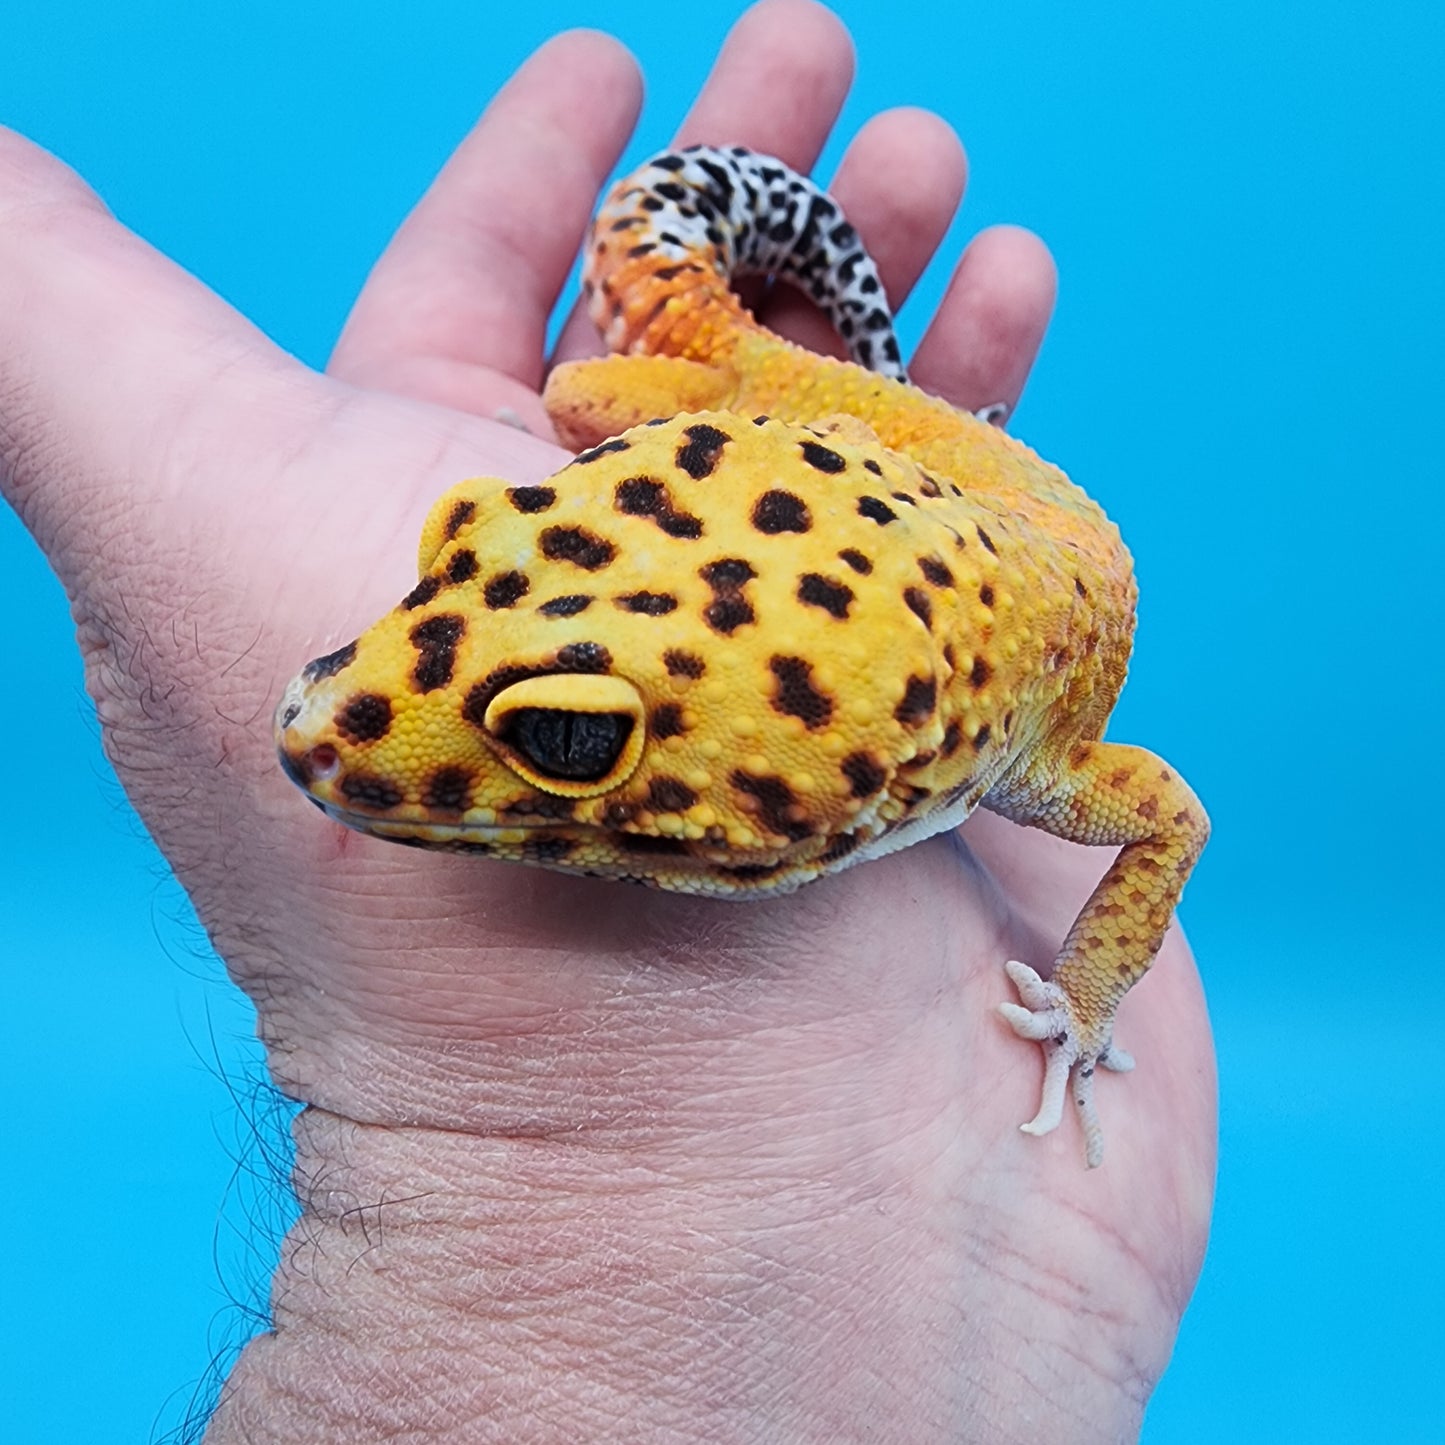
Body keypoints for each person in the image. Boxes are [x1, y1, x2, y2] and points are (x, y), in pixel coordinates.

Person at [0, 1, 1213, 1438]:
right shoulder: (798, 611)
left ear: (881, 778)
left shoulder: (1042, 754)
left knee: (601, 389)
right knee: (589, 389)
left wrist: (1085, 1002)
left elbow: (1167, 820)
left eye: (569, 739)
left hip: (978, 518)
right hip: (848, 484)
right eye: (461, 549)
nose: (345, 717)